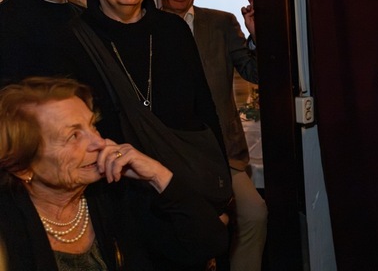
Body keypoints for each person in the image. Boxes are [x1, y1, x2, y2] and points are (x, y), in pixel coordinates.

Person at [59, 0, 233, 268]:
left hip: (183, 185)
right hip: (117, 195)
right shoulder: (71, 39)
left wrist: (219, 196)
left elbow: (205, 111)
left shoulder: (172, 30)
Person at [0, 77, 228, 270]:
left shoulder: (117, 192)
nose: (98, 143)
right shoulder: (8, 223)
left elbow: (209, 244)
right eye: (73, 137)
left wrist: (159, 176)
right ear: (22, 167)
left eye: (92, 126)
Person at [153, 0, 267, 271]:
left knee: (255, 213)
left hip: (224, 151)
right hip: (168, 153)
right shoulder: (143, 27)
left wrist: (257, 36)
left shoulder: (220, 23)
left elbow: (255, 72)